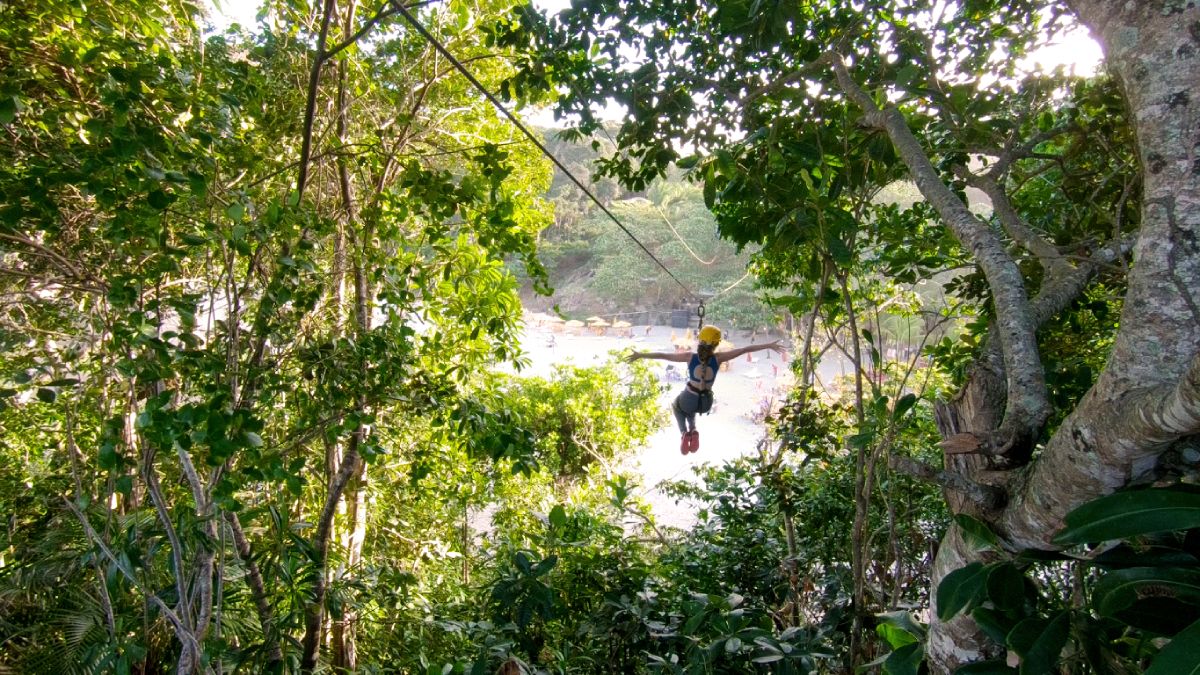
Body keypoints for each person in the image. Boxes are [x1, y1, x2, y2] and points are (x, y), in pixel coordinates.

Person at [625, 326, 786, 454]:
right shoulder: (719, 358)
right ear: (717, 343)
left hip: (690, 398)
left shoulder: (690, 357)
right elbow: (744, 349)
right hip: (706, 402)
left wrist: (640, 355)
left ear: (700, 341)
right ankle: (693, 430)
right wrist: (769, 345)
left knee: (678, 405)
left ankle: (684, 433)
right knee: (692, 407)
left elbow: (663, 355)